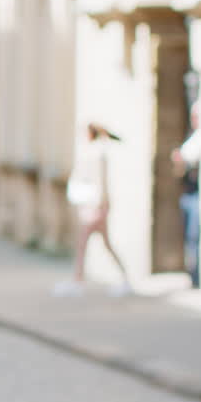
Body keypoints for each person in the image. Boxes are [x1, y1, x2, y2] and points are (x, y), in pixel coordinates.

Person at [53, 122, 132, 297]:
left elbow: (100, 181)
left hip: (94, 207)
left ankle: (78, 280)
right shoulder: (94, 152)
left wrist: (100, 205)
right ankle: (123, 278)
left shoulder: (97, 154)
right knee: (103, 244)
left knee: (83, 244)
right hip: (94, 206)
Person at [172, 104, 201, 288]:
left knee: (193, 235)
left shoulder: (200, 137)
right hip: (188, 192)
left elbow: (185, 157)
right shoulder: (192, 136)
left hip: (196, 195)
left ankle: (195, 275)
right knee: (189, 235)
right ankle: (192, 272)